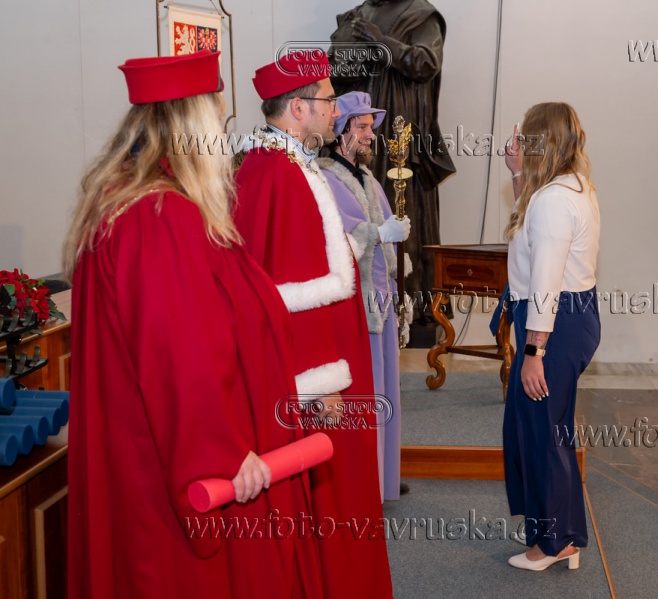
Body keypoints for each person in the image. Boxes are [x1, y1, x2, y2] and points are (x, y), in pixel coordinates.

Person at [63, 52, 323, 598]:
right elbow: (180, 357)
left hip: (152, 454)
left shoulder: (131, 205)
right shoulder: (159, 217)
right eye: (217, 119)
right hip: (191, 471)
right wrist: (220, 457)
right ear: (193, 125)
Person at [234, 53, 393, 599]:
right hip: (316, 384)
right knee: (329, 501)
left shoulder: (290, 166)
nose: (334, 111)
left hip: (328, 367)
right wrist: (321, 384)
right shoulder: (278, 175)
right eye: (327, 100)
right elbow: (286, 293)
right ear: (298, 109)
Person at [497, 102, 601, 571]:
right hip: (565, 318)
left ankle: (553, 544)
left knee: (543, 434)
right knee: (546, 428)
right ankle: (562, 535)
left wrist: (533, 351)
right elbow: (530, 227)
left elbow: (545, 282)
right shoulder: (567, 187)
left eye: (525, 139)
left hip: (552, 323)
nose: (519, 144)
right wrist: (519, 174)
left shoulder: (555, 200)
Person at [329, 0, 456, 322]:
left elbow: (425, 64)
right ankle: (357, 300)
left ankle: (410, 305)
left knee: (402, 211)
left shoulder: (420, 15)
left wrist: (380, 41)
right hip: (354, 139)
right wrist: (352, 60)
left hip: (400, 133)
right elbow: (334, 73)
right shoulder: (357, 15)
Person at [317, 91, 410, 501]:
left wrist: (395, 246)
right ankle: (366, 477)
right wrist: (379, 233)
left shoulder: (369, 179)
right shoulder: (326, 177)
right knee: (366, 388)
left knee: (386, 385)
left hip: (382, 297)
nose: (371, 135)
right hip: (357, 301)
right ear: (341, 132)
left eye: (371, 127)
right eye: (362, 127)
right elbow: (336, 236)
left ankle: (384, 474)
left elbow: (384, 226)